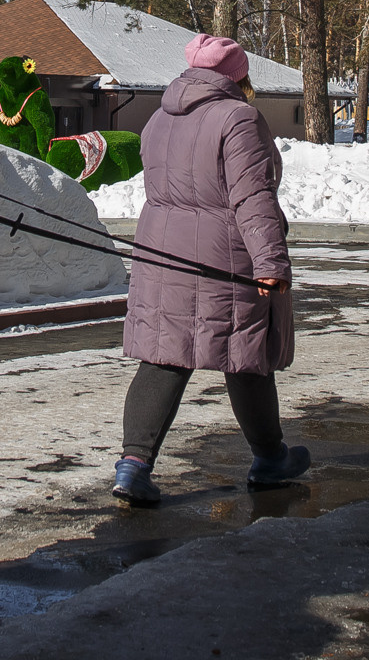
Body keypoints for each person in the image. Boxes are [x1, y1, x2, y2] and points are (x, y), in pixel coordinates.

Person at [112, 33, 309, 505]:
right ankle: (270, 459)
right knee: (244, 353)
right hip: (225, 255)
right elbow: (252, 196)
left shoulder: (160, 116)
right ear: (238, 77)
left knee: (163, 354)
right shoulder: (238, 117)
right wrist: (270, 261)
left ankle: (133, 467)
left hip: (162, 253)